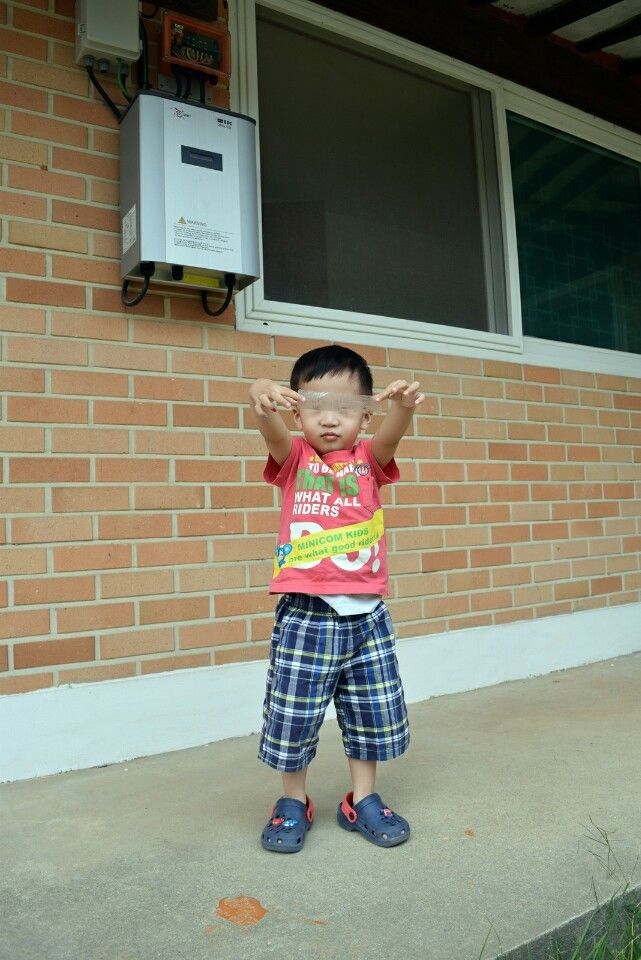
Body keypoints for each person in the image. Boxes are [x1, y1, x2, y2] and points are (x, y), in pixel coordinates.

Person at [248, 344, 424, 853]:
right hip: (305, 615)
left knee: (371, 711)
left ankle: (362, 799)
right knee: (293, 716)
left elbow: (392, 434)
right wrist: (259, 392)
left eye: (345, 408)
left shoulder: (370, 460)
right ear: (296, 411)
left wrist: (402, 407)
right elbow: (268, 427)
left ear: (365, 415)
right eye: (315, 407)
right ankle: (292, 801)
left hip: (368, 617)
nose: (330, 419)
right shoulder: (293, 460)